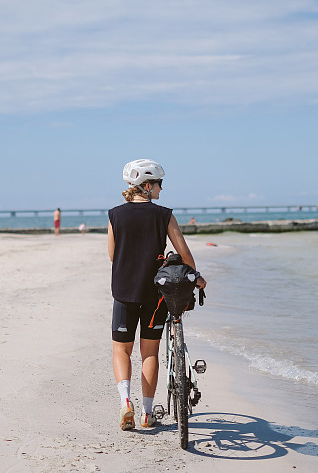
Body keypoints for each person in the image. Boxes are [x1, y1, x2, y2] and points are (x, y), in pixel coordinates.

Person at [107, 159, 207, 431]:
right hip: (155, 294)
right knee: (149, 352)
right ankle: (147, 413)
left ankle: (126, 401)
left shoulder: (115, 214)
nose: (162, 188)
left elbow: (112, 255)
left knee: (121, 350)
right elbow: (184, 254)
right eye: (159, 183)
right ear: (148, 186)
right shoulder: (164, 214)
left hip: (124, 291)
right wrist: (196, 278)